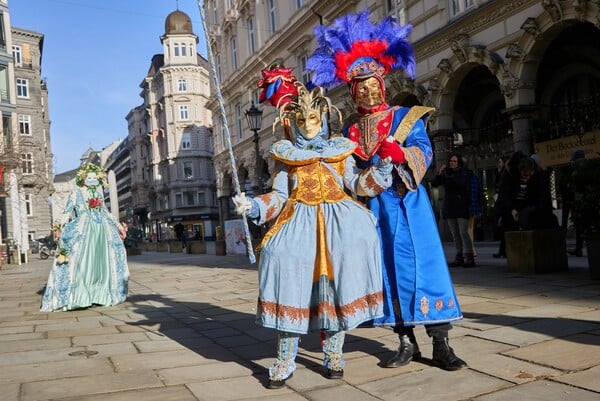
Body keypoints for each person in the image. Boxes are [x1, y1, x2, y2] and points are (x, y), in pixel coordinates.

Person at [307, 10, 467, 371]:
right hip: (374, 212)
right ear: (352, 92)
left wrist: (403, 153)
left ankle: (441, 344)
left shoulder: (404, 117)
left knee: (423, 268)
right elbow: (346, 173)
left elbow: (425, 150)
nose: (366, 91)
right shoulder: (349, 133)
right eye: (359, 87)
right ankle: (405, 342)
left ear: (382, 85)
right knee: (387, 274)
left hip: (409, 205)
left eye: (371, 85)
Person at [233, 78, 392, 388]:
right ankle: (284, 359)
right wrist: (252, 206)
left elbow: (358, 185)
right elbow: (278, 197)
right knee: (287, 279)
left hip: (339, 226)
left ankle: (333, 354)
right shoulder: (286, 157)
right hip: (299, 225)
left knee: (335, 290)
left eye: (313, 118)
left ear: (323, 120)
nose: (307, 125)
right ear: (293, 122)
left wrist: (382, 168)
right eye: (301, 119)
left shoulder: (340, 151)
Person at [41, 163, 129, 312]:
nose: (92, 180)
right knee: (81, 263)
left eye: (95, 178)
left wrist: (119, 227)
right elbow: (66, 212)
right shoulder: (76, 194)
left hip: (101, 233)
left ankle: (100, 296)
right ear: (83, 178)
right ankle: (81, 297)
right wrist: (59, 228)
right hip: (83, 233)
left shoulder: (99, 194)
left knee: (100, 265)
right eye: (89, 177)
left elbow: (106, 213)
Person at [431, 153, 477, 267]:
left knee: (463, 232)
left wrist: (449, 176)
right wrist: (440, 173)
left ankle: (469, 255)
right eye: (451, 161)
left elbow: (460, 185)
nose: (452, 163)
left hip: (461, 206)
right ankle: (459, 255)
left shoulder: (464, 173)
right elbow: (434, 184)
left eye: (454, 161)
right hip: (450, 207)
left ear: (459, 163)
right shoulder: (446, 173)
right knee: (455, 233)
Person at [497, 153, 558, 233]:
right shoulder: (509, 176)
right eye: (525, 175)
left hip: (527, 209)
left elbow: (542, 195)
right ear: (519, 171)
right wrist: (512, 209)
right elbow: (504, 195)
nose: (528, 178)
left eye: (530, 175)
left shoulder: (537, 175)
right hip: (511, 210)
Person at [560, 150, 585, 256]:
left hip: (569, 200)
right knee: (580, 225)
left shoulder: (571, 169)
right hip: (578, 200)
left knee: (565, 223)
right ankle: (578, 248)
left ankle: (562, 246)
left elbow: (563, 185)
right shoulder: (585, 169)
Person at [493, 156, 509, 258]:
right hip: (500, 201)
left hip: (504, 203)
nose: (499, 164)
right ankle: (502, 250)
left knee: (504, 227)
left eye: (500, 162)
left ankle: (503, 250)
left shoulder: (506, 173)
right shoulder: (500, 173)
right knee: (502, 227)